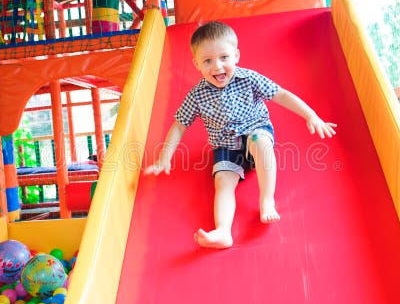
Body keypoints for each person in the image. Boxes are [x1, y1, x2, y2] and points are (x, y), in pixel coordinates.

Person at [144, 21, 337, 249]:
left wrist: (310, 115)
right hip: (225, 145)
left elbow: (281, 94)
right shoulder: (197, 95)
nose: (217, 66)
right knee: (223, 183)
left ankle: (267, 200)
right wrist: (165, 156)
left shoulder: (249, 79)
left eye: (224, 57)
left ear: (236, 55)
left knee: (260, 142)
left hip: (255, 131)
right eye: (208, 61)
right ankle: (223, 231)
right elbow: (179, 124)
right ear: (197, 64)